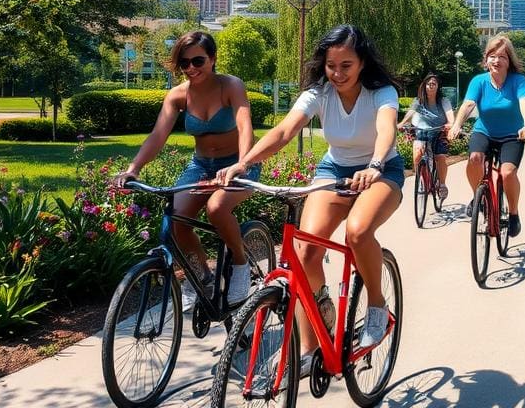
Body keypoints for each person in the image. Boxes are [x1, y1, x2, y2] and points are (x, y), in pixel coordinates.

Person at [217, 24, 403, 376]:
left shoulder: (382, 92)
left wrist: (376, 165)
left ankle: (377, 305)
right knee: (304, 253)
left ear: (362, 63)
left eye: (346, 66)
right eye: (331, 65)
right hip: (334, 170)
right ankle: (310, 344)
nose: (337, 73)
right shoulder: (319, 92)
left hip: (381, 170)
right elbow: (285, 130)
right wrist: (244, 163)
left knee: (359, 231)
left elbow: (386, 128)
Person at [113, 31, 260, 309]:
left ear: (213, 58)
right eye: (184, 63)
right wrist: (133, 168)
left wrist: (242, 163)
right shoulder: (178, 95)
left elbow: (244, 126)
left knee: (217, 209)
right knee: (176, 220)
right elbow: (158, 135)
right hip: (201, 166)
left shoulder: (231, 86)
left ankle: (240, 266)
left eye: (198, 61)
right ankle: (201, 276)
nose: (191, 68)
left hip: (240, 163)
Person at [448, 35, 525, 238]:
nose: (496, 61)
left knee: (507, 173)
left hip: (512, 134)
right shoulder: (479, 81)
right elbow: (468, 104)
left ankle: (513, 213)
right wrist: (456, 125)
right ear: (486, 59)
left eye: (502, 56)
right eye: (492, 56)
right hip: (484, 131)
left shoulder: (518, 80)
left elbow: (524, 102)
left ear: (509, 60)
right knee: (475, 158)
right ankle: (479, 196)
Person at [397, 73, 456, 201]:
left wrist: (450, 124)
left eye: (434, 83)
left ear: (437, 86)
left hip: (438, 131)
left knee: (440, 157)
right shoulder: (418, 101)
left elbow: (450, 116)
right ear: (424, 86)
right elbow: (410, 113)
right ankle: (422, 179)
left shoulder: (443, 101)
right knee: (418, 154)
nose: (431, 86)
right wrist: (402, 123)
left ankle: (442, 184)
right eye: (428, 83)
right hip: (421, 131)